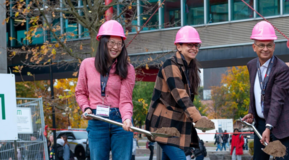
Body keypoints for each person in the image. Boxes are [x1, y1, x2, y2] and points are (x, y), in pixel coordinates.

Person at [145, 26, 211, 160]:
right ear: (178, 46)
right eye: (189, 44)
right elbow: (181, 95)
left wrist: (200, 117)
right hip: (165, 125)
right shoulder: (170, 65)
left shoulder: (188, 68)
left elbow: (185, 101)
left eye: (196, 45)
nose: (194, 48)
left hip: (177, 125)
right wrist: (198, 118)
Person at [76, 20, 135, 160]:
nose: (116, 47)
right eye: (112, 42)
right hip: (96, 119)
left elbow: (125, 100)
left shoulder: (128, 69)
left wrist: (127, 118)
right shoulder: (87, 64)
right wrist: (86, 108)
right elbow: (80, 92)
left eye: (119, 44)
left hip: (119, 120)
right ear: (103, 42)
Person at [241, 20, 289, 160]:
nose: (265, 49)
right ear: (254, 47)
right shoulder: (251, 65)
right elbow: (255, 93)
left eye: (269, 45)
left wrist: (269, 127)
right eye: (261, 45)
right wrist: (252, 112)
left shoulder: (282, 69)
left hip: (282, 124)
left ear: (274, 47)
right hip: (261, 123)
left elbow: (277, 100)